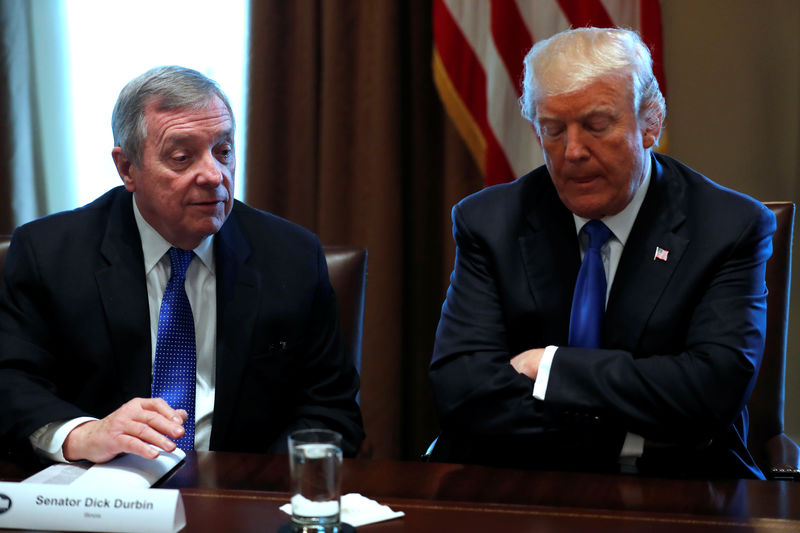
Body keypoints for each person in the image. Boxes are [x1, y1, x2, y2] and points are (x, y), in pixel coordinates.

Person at [428, 27, 774, 479]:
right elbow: (461, 388)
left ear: (650, 122)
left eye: (596, 126)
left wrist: (549, 365)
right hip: (520, 482)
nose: (572, 152)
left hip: (677, 486)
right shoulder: (490, 222)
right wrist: (629, 432)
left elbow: (710, 391)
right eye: (552, 130)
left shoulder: (726, 226)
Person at [0, 66, 364, 464]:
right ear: (127, 169)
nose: (214, 175)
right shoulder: (50, 253)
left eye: (224, 151)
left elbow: (330, 408)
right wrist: (84, 434)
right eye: (181, 157)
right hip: (98, 494)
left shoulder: (291, 257)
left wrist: (258, 488)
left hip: (240, 501)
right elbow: (11, 381)